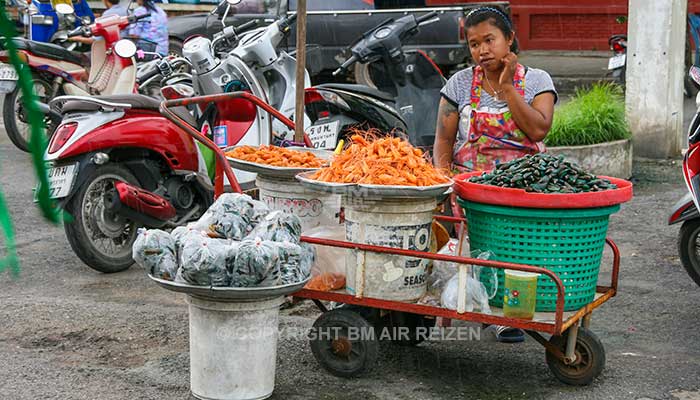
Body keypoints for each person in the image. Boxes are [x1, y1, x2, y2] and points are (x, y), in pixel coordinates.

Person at [433, 7, 557, 343]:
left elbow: (538, 129)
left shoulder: (537, 80)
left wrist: (507, 89)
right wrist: (444, 184)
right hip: (470, 190)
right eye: (474, 44)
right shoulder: (458, 84)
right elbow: (444, 140)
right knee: (480, 253)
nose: (482, 50)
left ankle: (515, 310)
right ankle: (491, 312)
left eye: (490, 40)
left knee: (518, 251)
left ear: (510, 39)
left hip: (523, 187)